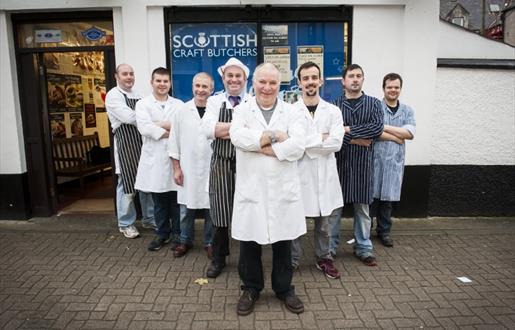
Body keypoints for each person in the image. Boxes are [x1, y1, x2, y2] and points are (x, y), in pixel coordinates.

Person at [230, 63, 306, 316]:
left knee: (283, 243)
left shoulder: (293, 111)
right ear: (254, 82)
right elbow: (238, 138)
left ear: (279, 84)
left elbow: (299, 146)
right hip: (252, 188)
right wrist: (276, 136)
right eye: (262, 82)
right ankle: (251, 288)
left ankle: (284, 289)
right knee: (250, 242)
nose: (267, 87)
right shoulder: (241, 110)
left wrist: (262, 144)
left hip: (283, 189)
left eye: (273, 82)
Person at [291, 62, 344, 279]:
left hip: (325, 177)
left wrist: (306, 145)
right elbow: (292, 145)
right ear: (299, 83)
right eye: (306, 78)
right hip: (299, 176)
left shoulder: (333, 111)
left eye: (314, 77)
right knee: (295, 225)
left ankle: (324, 258)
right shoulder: (291, 112)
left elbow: (337, 144)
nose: (310, 82)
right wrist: (320, 138)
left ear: (320, 80)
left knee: (324, 225)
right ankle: (291, 262)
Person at [328, 64, 384, 266]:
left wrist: (347, 130)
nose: (355, 79)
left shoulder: (374, 104)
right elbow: (331, 135)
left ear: (363, 79)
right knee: (334, 210)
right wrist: (357, 138)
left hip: (363, 166)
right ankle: (330, 248)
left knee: (362, 210)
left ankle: (364, 248)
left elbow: (377, 129)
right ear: (343, 81)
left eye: (359, 76)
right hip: (338, 164)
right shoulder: (333, 107)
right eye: (351, 76)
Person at [201, 57, 251, 278]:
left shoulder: (252, 100)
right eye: (229, 76)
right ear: (223, 78)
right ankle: (219, 258)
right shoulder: (214, 102)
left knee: (249, 210)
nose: (233, 79)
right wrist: (241, 128)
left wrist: (224, 128)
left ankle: (249, 260)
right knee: (220, 213)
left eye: (238, 76)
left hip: (248, 163)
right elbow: (208, 130)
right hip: (221, 162)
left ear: (245, 79)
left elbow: (256, 133)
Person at [134, 67, 182, 251]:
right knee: (159, 202)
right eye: (158, 81)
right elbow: (145, 128)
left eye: (165, 81)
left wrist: (158, 125)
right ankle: (162, 234)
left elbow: (181, 128)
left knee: (177, 201)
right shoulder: (142, 104)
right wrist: (171, 130)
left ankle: (178, 234)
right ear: (152, 82)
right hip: (154, 160)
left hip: (175, 159)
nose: (162, 84)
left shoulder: (178, 104)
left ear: (170, 83)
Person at [105, 64, 155, 239]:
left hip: (142, 143)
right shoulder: (113, 95)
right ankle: (125, 223)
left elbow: (145, 114)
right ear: (116, 76)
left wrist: (146, 118)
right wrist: (147, 118)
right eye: (125, 74)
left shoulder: (138, 94)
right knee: (127, 184)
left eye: (131, 74)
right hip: (127, 145)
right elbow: (130, 117)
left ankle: (149, 219)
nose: (129, 77)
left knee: (147, 183)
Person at [169, 72, 214, 258]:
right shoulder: (181, 111)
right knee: (186, 208)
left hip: (212, 168)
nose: (201, 90)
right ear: (193, 87)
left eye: (205, 86)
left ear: (211, 89)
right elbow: (174, 142)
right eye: (198, 86)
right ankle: (184, 240)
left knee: (211, 208)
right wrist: (177, 168)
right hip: (188, 167)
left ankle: (210, 242)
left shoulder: (217, 109)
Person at [370, 73, 416, 247]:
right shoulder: (375, 107)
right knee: (371, 200)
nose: (393, 90)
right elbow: (373, 131)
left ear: (400, 89)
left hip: (393, 163)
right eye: (389, 87)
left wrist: (385, 129)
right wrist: (396, 135)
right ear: (383, 88)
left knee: (387, 202)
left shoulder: (407, 110)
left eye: (396, 87)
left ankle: (384, 232)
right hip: (376, 161)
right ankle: (366, 231)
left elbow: (410, 133)